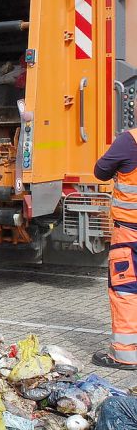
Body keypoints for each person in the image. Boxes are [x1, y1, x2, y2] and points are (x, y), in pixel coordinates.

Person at [92, 130, 137, 369]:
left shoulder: (129, 141)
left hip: (130, 234)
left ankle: (125, 355)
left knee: (126, 289)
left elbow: (100, 171)